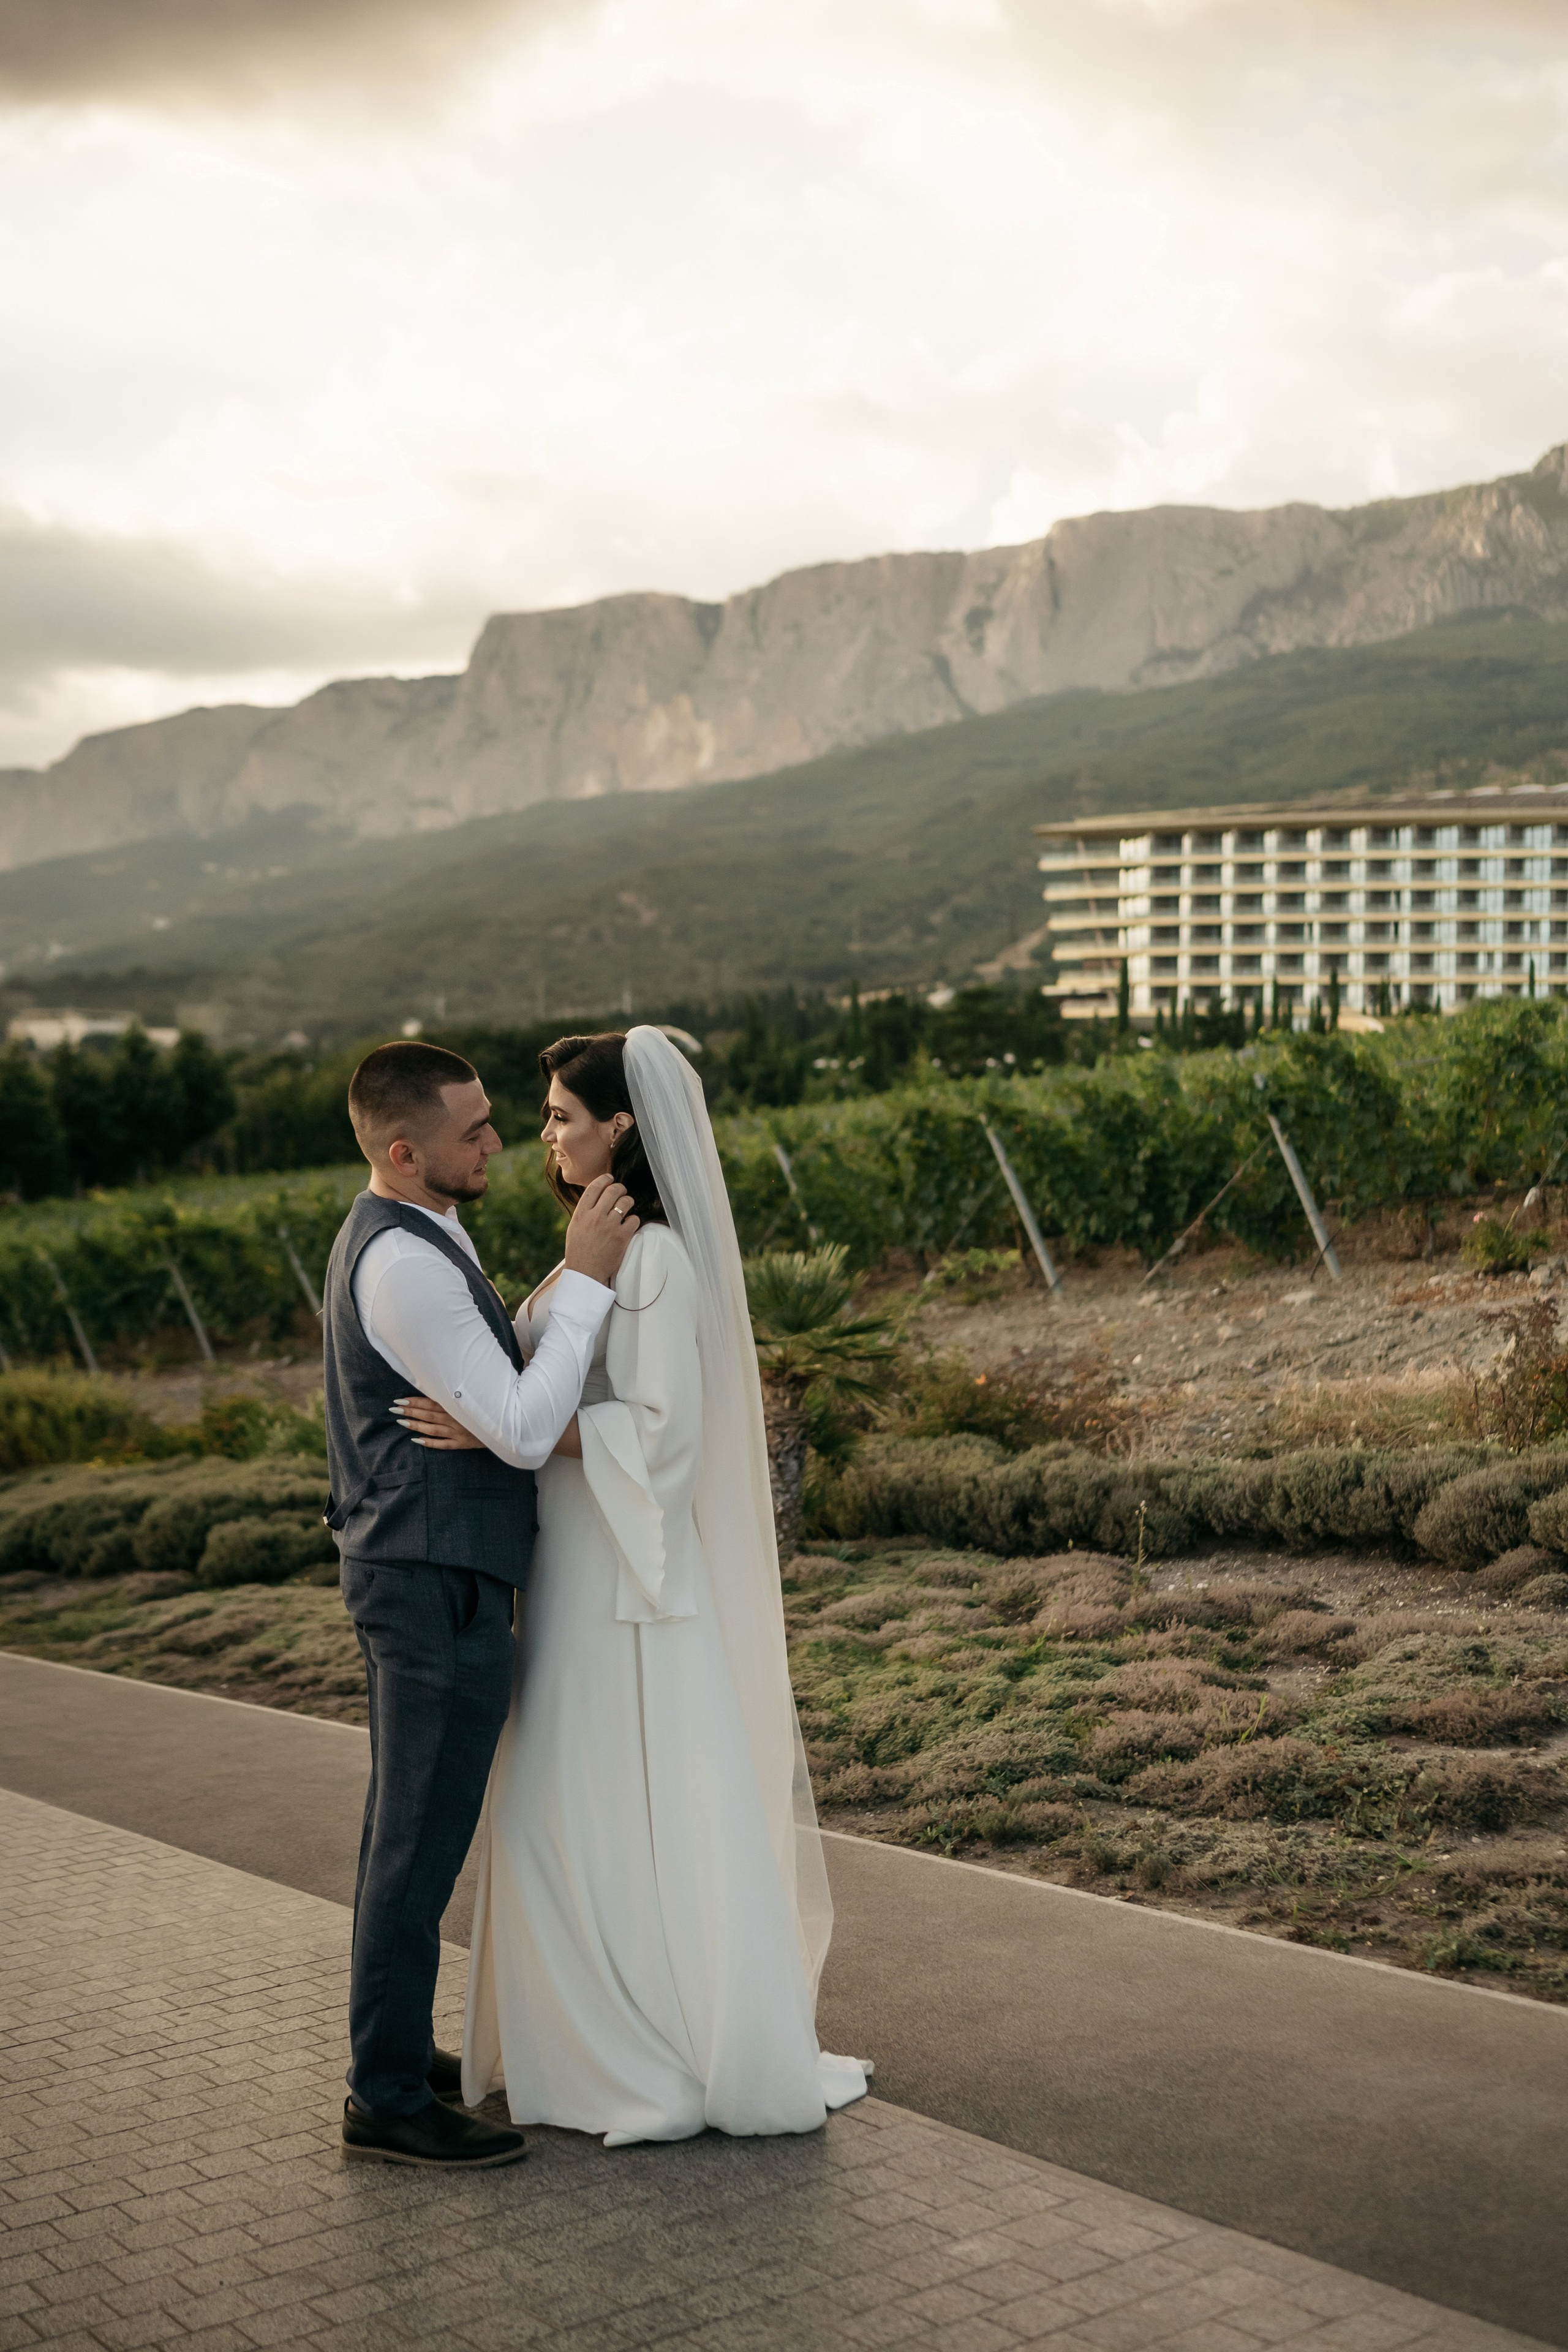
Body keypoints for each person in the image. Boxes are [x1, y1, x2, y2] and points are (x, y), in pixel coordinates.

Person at [397, 1026, 869, 2144]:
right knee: (560, 1811)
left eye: (562, 1115)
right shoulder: (598, 1247)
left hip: (621, 1584)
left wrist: (497, 1436)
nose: (544, 1134)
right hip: (575, 1568)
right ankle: (587, 2031)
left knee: (592, 1807)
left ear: (621, 1128)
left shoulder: (653, 1258)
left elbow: (661, 1434)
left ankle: (635, 2043)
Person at [323, 1039, 639, 2169]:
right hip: (428, 1581)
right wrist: (591, 1283)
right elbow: (514, 1426)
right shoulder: (401, 1262)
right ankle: (386, 2096)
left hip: (439, 1570)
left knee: (416, 1832)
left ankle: (393, 2047)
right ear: (405, 1153)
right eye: (474, 1131)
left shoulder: (426, 1227)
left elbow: (494, 1397)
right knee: (414, 1841)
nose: (501, 1142)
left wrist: (496, 1385)